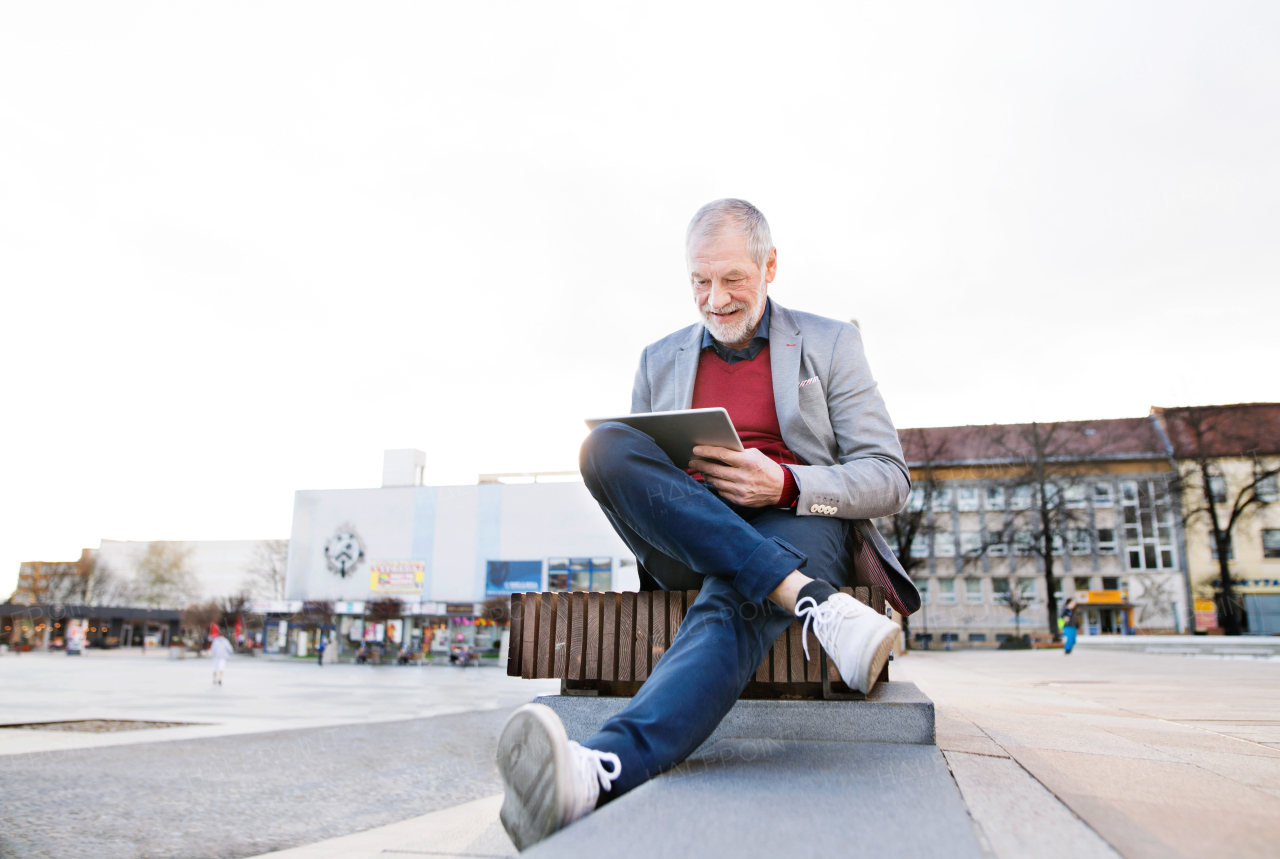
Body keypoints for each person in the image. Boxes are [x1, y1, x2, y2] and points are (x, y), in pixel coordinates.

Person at [495, 199, 920, 849]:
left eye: (732, 279)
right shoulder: (658, 359)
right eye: (700, 281)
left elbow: (889, 476)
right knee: (603, 446)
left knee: (736, 588)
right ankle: (806, 597)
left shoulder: (832, 343)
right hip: (689, 532)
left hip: (798, 520)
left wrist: (785, 480)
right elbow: (645, 478)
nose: (715, 299)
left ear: (770, 265)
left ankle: (600, 769)